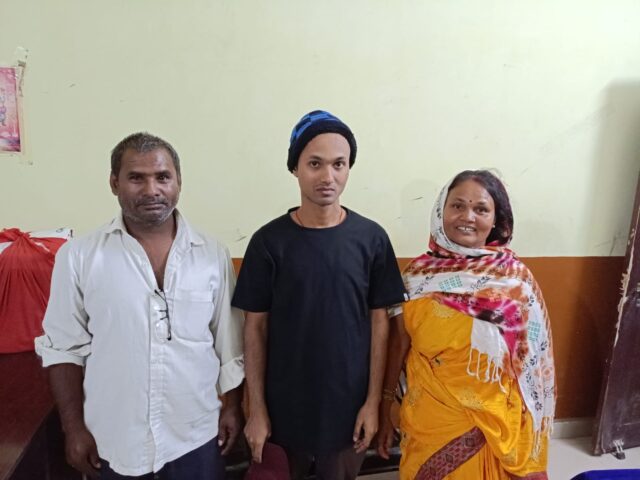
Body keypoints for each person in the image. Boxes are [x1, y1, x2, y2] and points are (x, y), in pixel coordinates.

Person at [35, 132, 245, 479]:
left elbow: (229, 344)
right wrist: (73, 429)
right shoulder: (79, 257)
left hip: (196, 436)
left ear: (179, 182)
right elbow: (63, 351)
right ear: (114, 183)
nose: (151, 190)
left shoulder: (212, 255)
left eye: (163, 177)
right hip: (114, 442)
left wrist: (233, 408)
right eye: (136, 178)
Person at [232, 110, 407, 480]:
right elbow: (254, 329)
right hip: (282, 414)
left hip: (348, 415)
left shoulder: (372, 240)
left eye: (338, 164)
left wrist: (373, 403)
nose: (328, 177)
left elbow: (381, 326)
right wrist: (256, 410)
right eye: (315, 164)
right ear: (295, 167)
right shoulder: (268, 243)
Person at [378, 170, 555, 479]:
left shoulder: (515, 281)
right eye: (457, 206)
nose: (467, 217)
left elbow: (533, 365)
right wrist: (385, 406)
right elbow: (399, 343)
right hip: (430, 418)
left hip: (494, 425)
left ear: (496, 219)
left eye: (481, 209)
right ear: (441, 211)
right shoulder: (417, 276)